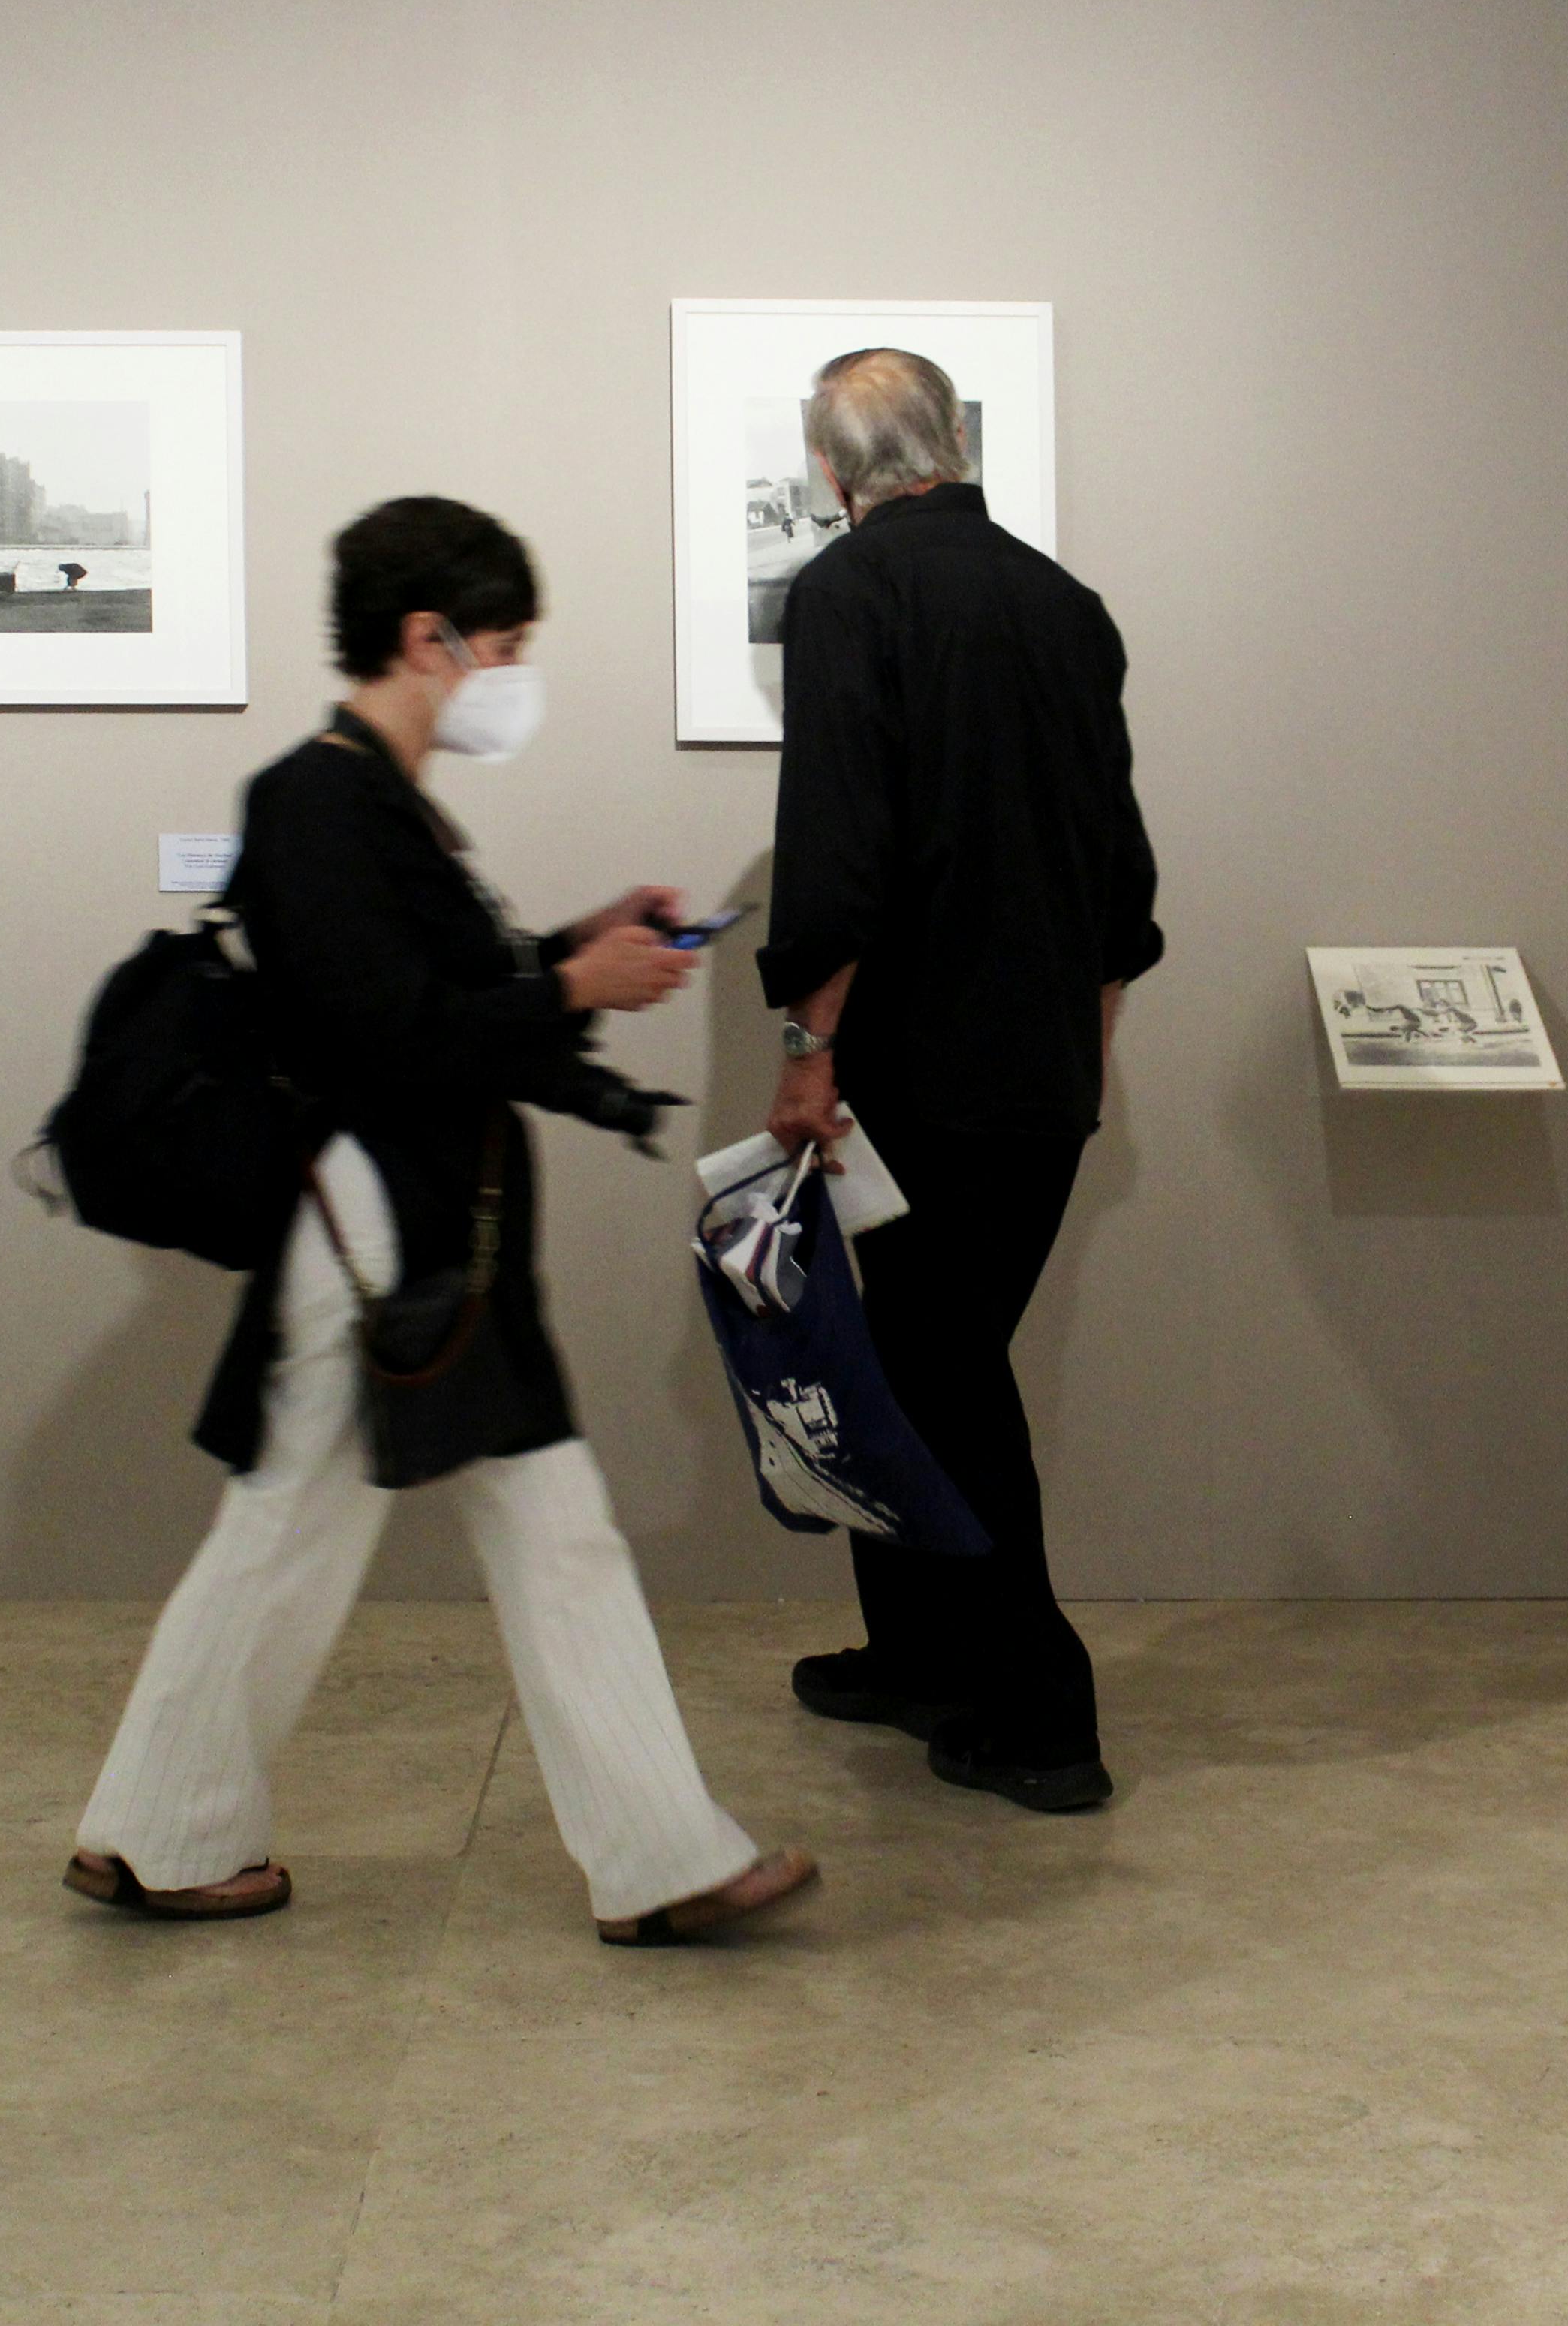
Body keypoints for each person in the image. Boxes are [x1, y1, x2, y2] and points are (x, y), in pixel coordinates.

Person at [70, 495, 817, 1945]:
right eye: (509, 645)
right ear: (431, 639)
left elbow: (424, 990)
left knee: (473, 1530)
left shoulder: (370, 799)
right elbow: (384, 1034)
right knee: (381, 1530)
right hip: (385, 1230)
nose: (517, 676)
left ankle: (164, 1831)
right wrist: (573, 989)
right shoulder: (317, 801)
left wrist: (575, 947)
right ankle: (650, 1862)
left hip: (417, 1225)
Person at [761, 349, 1163, 1814]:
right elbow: (1118, 869)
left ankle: (1041, 1714)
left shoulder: (846, 593)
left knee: (941, 1377)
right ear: (953, 443)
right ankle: (919, 1652)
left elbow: (840, 850)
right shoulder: (1065, 605)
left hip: (916, 1071)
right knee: (916, 1363)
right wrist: (1090, 1046)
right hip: (1039, 1068)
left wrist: (807, 1053)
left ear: (832, 470)